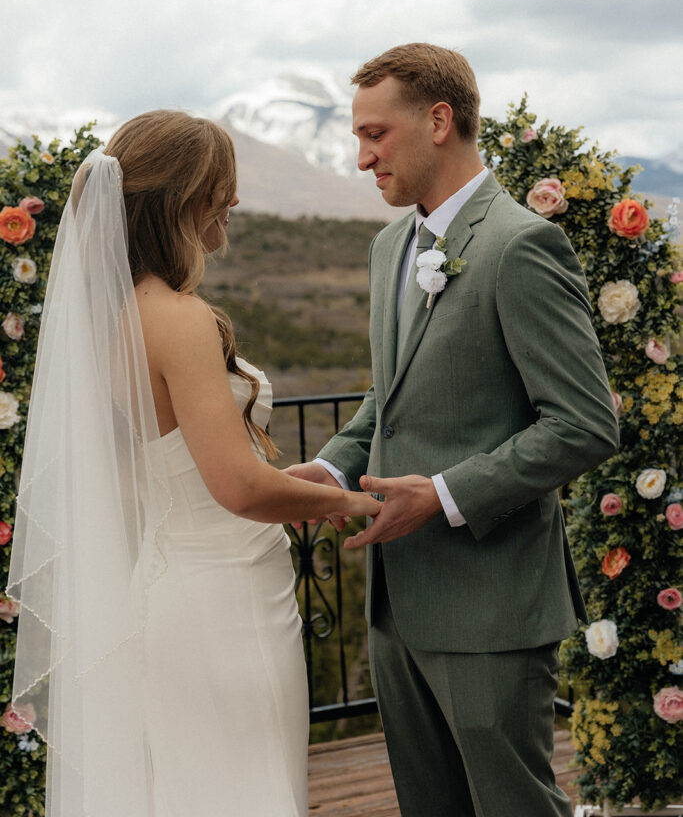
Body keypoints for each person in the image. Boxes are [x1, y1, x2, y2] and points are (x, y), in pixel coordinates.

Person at [7, 111, 380, 817]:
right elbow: (237, 485)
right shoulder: (176, 317)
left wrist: (298, 482)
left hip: (168, 584)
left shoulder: (108, 320)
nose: (233, 201)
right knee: (246, 790)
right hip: (224, 601)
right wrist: (352, 503)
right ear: (185, 196)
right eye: (222, 186)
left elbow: (158, 471)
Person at [287, 44, 619, 817]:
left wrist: (441, 494)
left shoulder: (520, 245)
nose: (362, 156)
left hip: (490, 605)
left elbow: (582, 423)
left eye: (375, 134)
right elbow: (392, 397)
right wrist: (333, 470)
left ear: (438, 121)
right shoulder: (386, 247)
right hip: (396, 606)